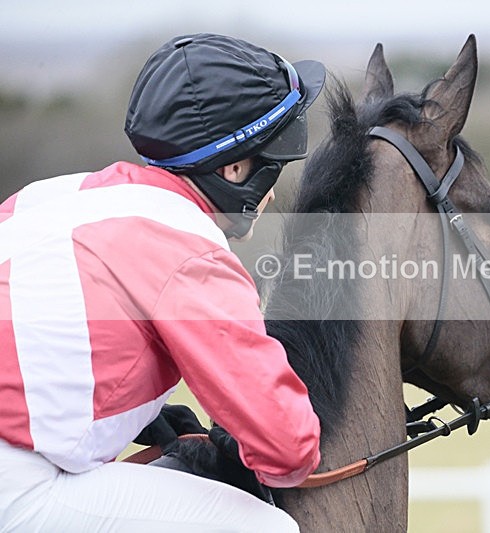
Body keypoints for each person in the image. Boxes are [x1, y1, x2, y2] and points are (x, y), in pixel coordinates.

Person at [0, 33, 325, 532]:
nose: (273, 195)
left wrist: (138, 412)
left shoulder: (53, 194)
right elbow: (288, 448)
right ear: (235, 169)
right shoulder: (192, 252)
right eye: (272, 169)